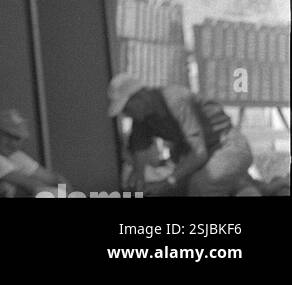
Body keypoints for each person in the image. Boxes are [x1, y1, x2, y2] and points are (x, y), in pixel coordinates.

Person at [108, 73, 255, 198]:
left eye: (126, 108)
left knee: (201, 186)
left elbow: (199, 153)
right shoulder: (142, 118)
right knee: (173, 189)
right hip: (201, 156)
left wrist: (168, 182)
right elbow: (139, 150)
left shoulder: (175, 98)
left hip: (227, 146)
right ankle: (259, 187)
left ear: (141, 96)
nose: (126, 114)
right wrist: (139, 181)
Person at [0, 107, 65, 195]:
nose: (12, 143)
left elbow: (57, 179)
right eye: (7, 135)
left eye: (17, 138)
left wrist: (67, 194)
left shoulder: (15, 155)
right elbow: (33, 185)